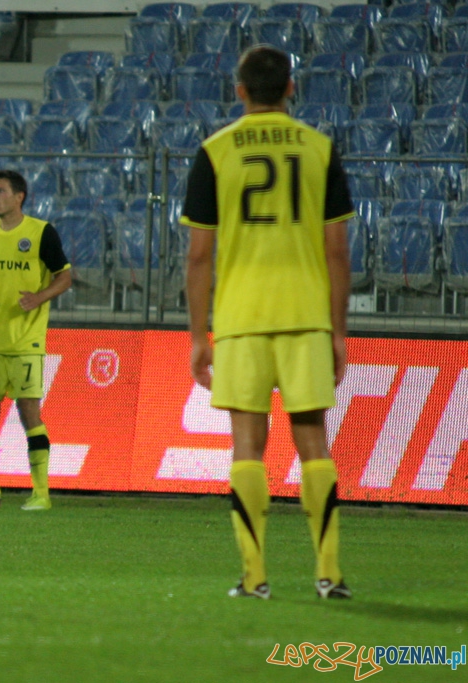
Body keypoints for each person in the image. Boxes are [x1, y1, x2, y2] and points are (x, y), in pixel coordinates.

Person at [181, 46, 355, 600]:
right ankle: (329, 575)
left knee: (247, 446)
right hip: (304, 315)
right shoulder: (320, 149)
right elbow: (336, 251)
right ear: (291, 88)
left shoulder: (214, 152)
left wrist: (196, 336)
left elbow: (198, 256)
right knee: (313, 444)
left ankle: (254, 578)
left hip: (240, 318)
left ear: (239, 91)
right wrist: (338, 330)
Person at [0, 170, 72, 511]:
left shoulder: (41, 233)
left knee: (29, 411)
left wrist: (40, 297)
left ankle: (41, 494)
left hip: (26, 340)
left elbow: (64, 278)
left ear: (19, 196)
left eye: (1, 191)